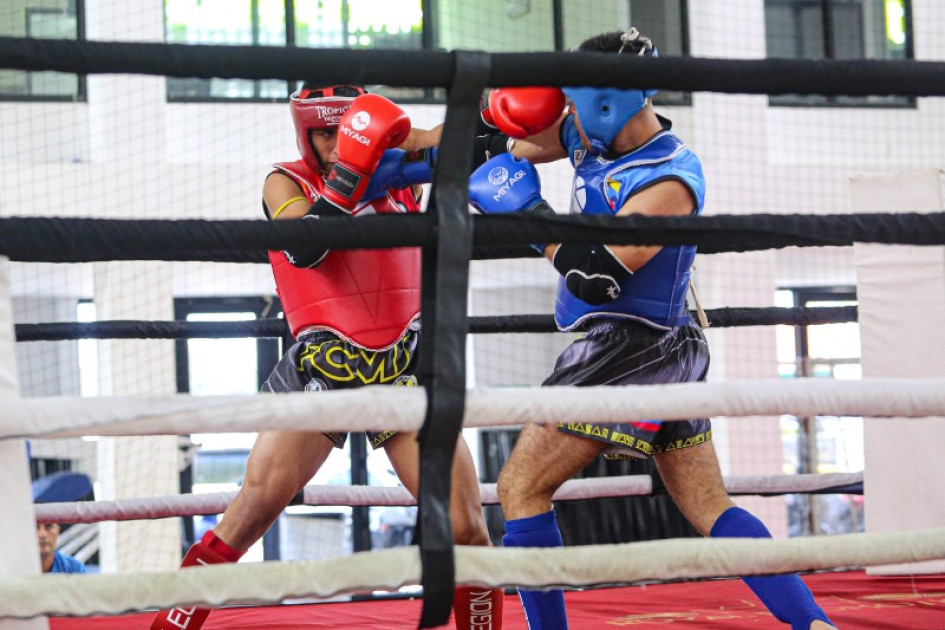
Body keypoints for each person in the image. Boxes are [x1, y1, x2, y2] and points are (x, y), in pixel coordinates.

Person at [469, 28, 837, 630]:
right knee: (709, 506)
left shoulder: (670, 178)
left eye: (575, 102)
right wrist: (384, 153)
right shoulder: (589, 134)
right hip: (668, 349)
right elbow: (493, 147)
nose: (567, 116)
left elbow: (596, 278)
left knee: (520, 487)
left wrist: (530, 218)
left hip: (630, 346)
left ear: (606, 102)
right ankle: (812, 623)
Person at [151, 84, 502, 630]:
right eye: (324, 133)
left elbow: (464, 146)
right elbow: (304, 244)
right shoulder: (283, 181)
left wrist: (494, 111)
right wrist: (350, 174)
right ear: (303, 134)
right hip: (321, 373)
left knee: (466, 527)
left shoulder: (401, 164)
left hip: (402, 375)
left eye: (348, 132)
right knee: (248, 516)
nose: (340, 145)